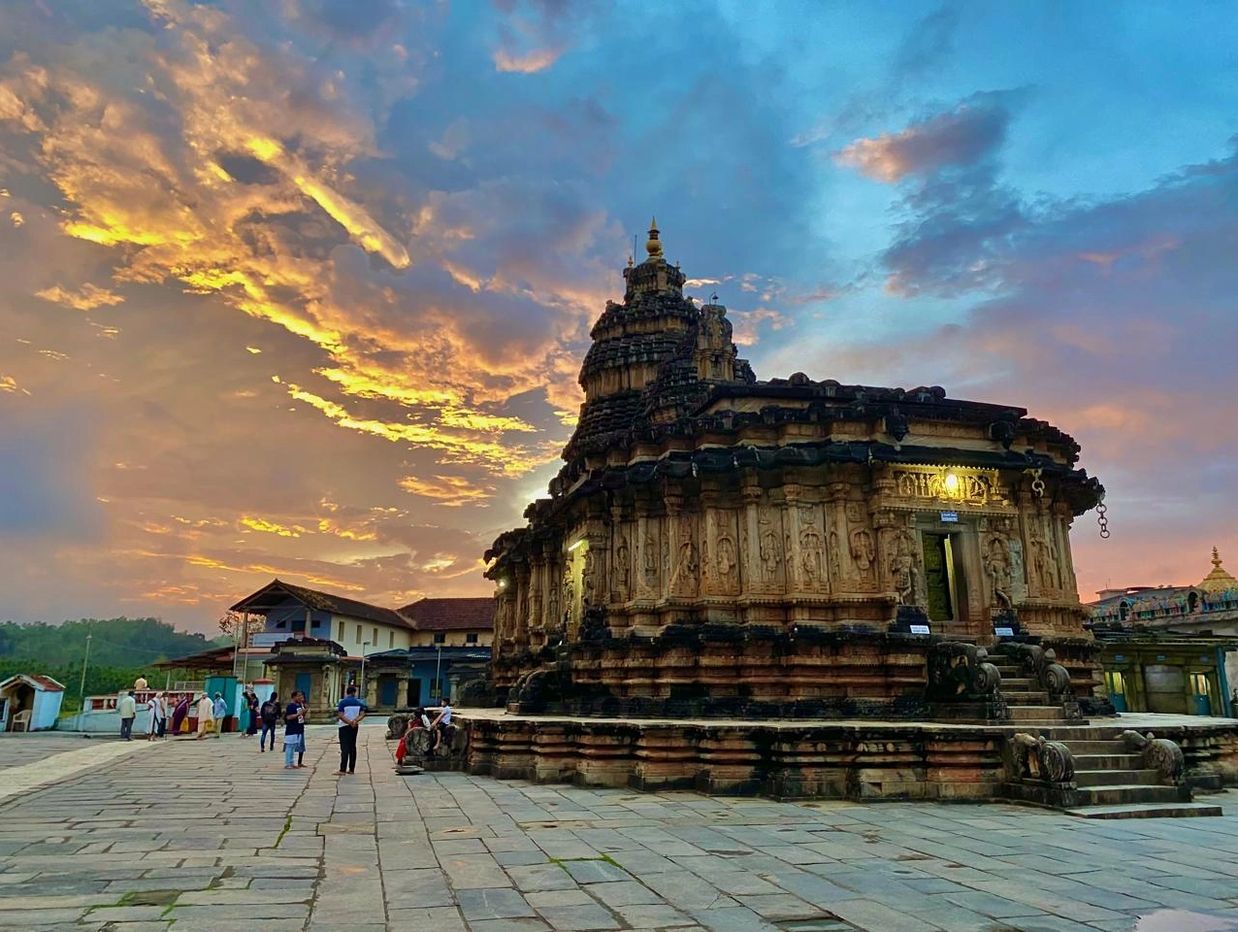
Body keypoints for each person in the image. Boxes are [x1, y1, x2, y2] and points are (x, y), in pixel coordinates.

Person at [334, 685, 367, 775]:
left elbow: (341, 715)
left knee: (344, 747)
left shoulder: (343, 702)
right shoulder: (358, 703)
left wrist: (349, 722)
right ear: (354, 693)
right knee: (352, 747)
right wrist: (355, 721)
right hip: (354, 726)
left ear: (347, 692)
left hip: (344, 726)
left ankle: (342, 769)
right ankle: (351, 769)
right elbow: (363, 714)